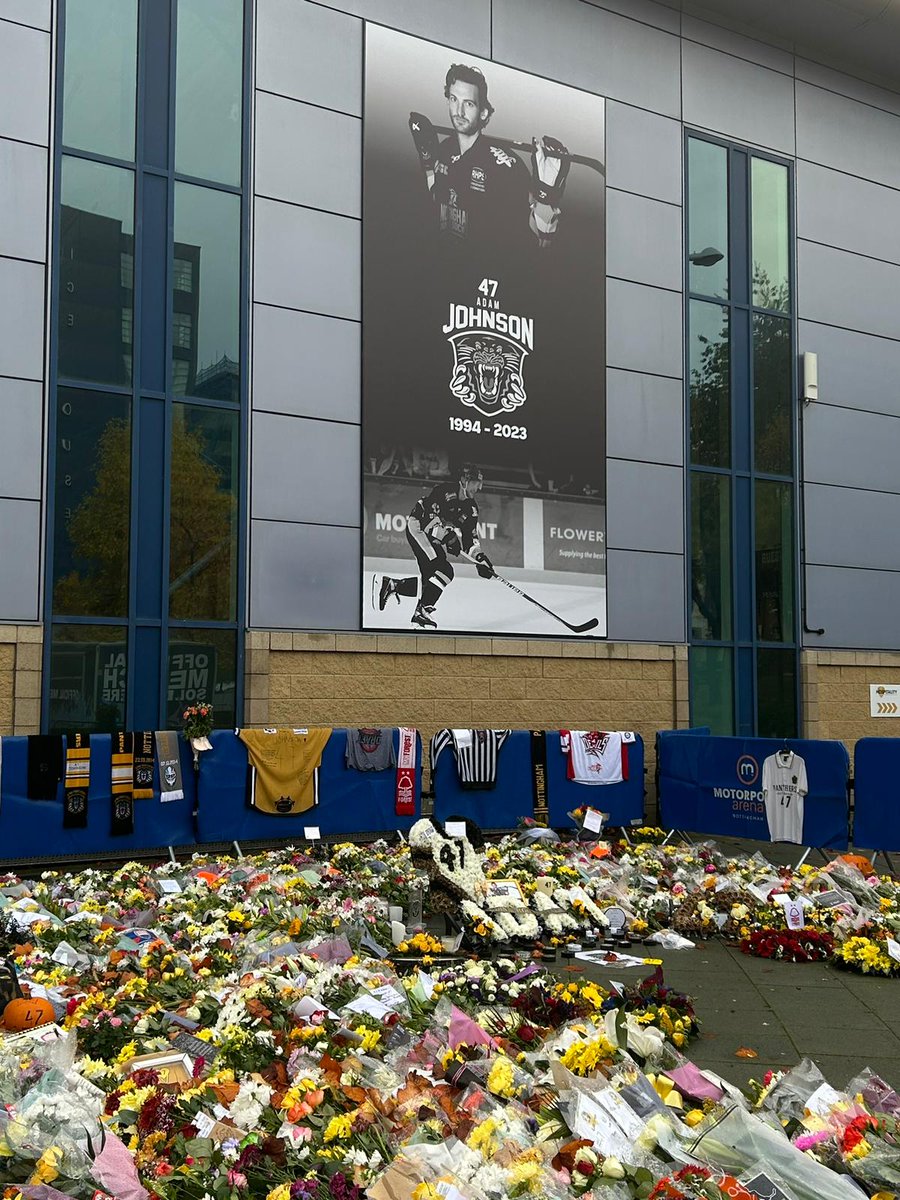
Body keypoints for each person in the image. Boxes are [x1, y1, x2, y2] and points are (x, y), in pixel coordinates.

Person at [408, 63, 570, 251]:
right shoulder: (445, 150)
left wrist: (546, 198)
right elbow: (437, 195)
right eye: (454, 99)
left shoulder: (504, 166)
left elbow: (540, 241)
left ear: (483, 112)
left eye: (468, 104)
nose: (459, 111)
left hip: (488, 274)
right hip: (445, 269)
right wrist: (428, 161)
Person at [375, 463, 494, 629]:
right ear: (464, 480)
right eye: (475, 482)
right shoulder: (443, 491)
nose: (479, 487)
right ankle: (421, 611)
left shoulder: (471, 508)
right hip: (418, 528)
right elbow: (428, 522)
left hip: (433, 536)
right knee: (445, 571)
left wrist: (480, 558)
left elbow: (470, 539)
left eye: (480, 483)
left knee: (432, 580)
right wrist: (448, 538)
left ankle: (394, 586)